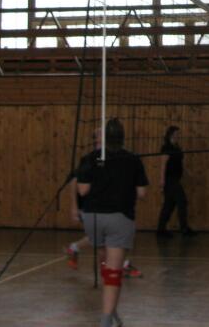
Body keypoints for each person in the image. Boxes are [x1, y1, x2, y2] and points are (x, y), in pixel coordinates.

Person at [76, 117, 149, 327]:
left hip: (93, 218)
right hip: (119, 218)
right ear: (123, 138)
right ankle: (106, 319)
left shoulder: (89, 158)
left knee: (105, 264)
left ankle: (111, 308)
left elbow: (82, 190)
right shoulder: (133, 159)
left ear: (104, 138)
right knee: (114, 272)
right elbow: (142, 193)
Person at [64, 129, 142, 278]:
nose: (104, 134)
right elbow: (74, 181)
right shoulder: (90, 158)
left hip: (109, 207)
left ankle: (74, 248)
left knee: (104, 237)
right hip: (91, 206)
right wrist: (74, 207)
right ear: (97, 139)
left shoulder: (118, 155)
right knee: (106, 239)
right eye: (100, 133)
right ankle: (119, 266)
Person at [156, 125, 195, 238]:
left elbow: (180, 163)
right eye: (177, 134)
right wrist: (162, 180)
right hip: (170, 180)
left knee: (169, 205)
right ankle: (184, 228)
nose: (178, 136)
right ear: (171, 134)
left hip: (176, 179)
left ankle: (161, 230)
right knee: (182, 201)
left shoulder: (177, 147)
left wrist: (188, 172)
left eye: (179, 134)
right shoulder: (167, 147)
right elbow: (163, 164)